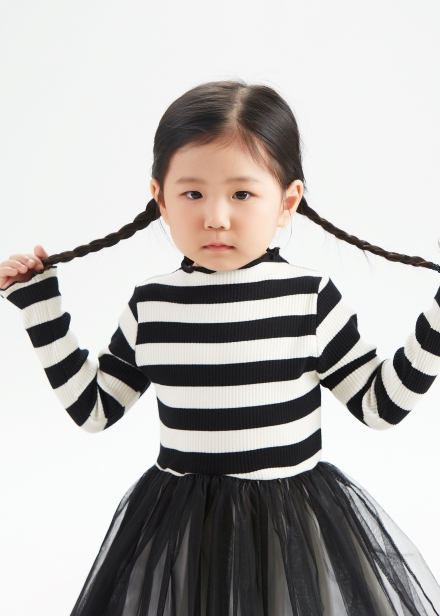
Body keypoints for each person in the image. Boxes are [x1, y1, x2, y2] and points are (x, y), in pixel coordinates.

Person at [1, 79, 440, 616]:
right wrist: (39, 306)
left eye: (241, 194)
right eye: (192, 193)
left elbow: (380, 405)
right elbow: (94, 410)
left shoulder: (307, 299)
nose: (215, 216)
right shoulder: (153, 305)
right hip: (184, 525)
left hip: (288, 527)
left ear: (288, 201)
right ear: (160, 198)